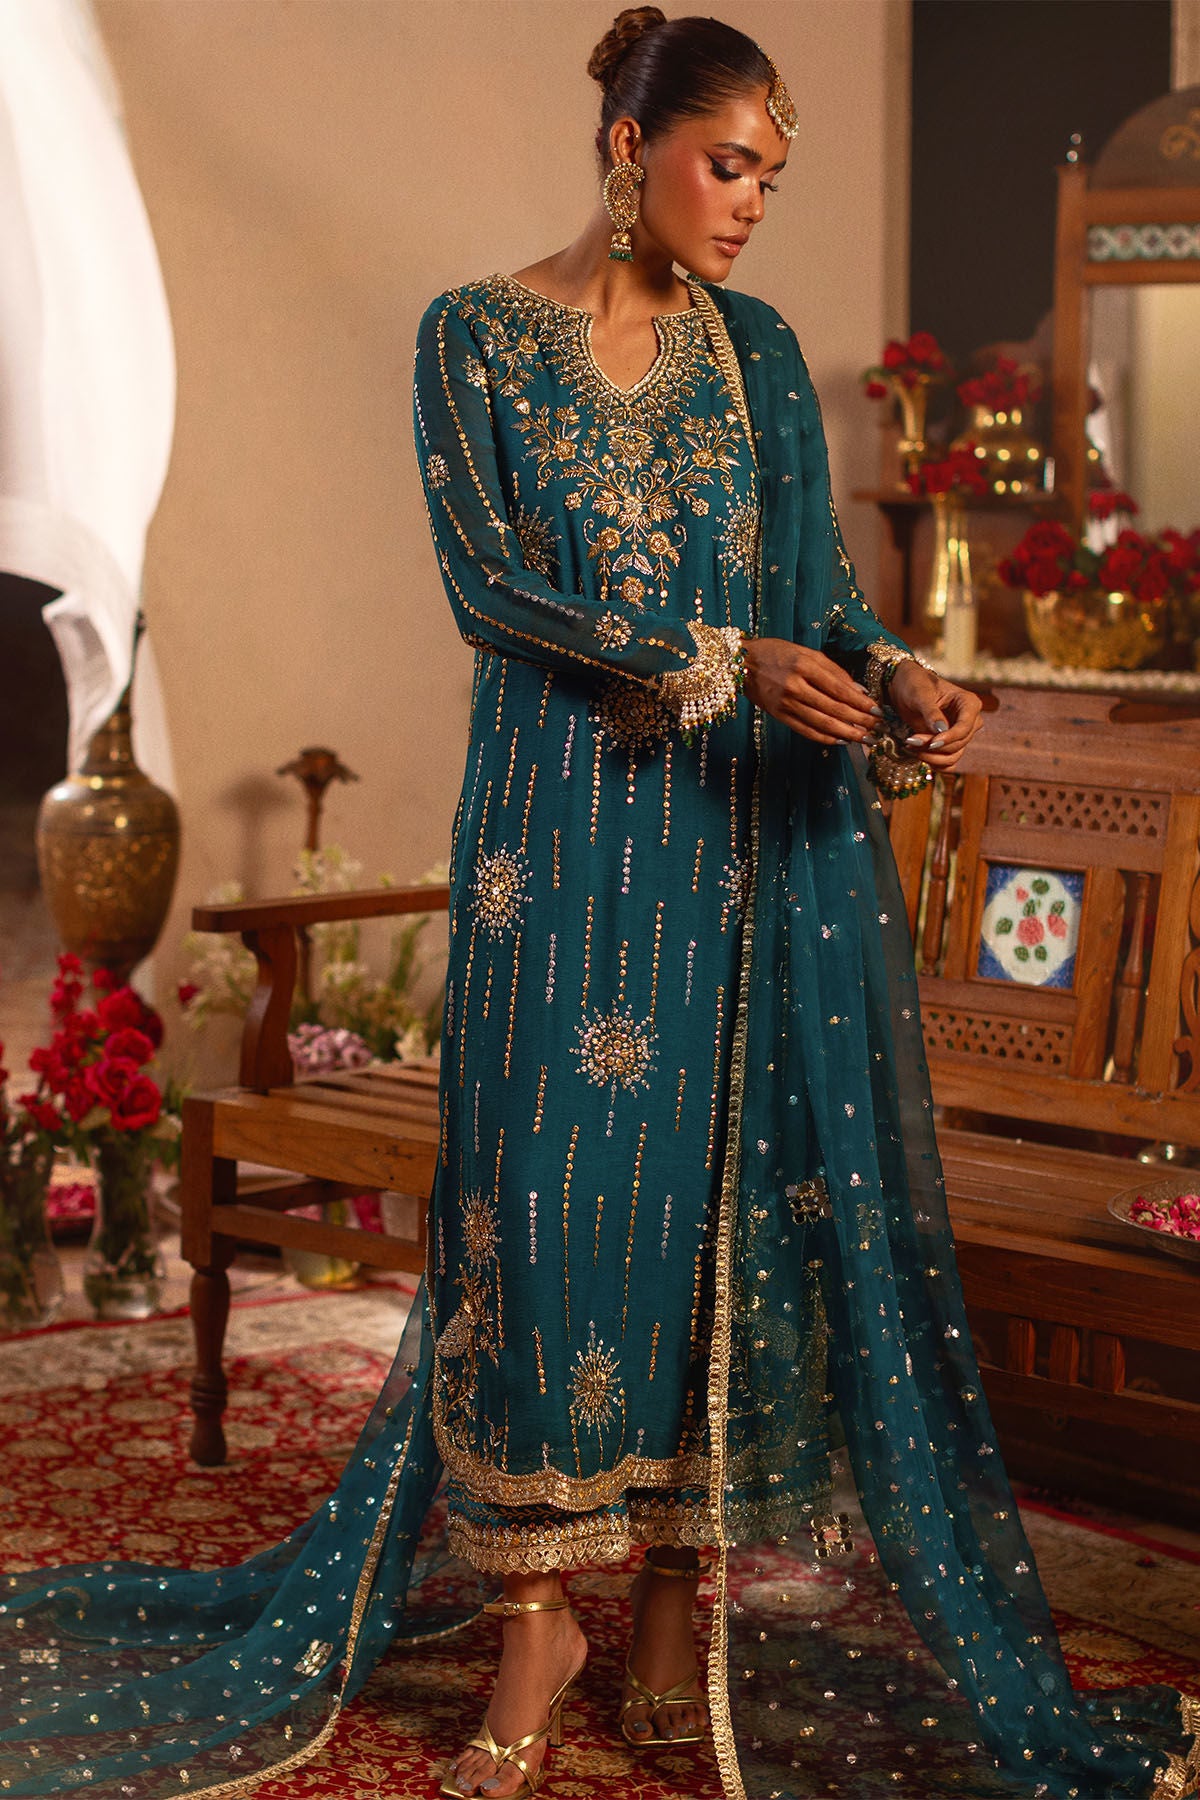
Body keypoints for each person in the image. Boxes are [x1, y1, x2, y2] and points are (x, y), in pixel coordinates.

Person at [0, 12, 1195, 1800]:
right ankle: (537, 1618)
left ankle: (667, 1615)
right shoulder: (474, 337)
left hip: (740, 858)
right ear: (631, 148)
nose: (753, 205)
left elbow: (815, 596)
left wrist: (896, 674)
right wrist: (723, 656)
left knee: (719, 1212)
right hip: (556, 847)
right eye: (730, 165)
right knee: (546, 1217)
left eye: (773, 178)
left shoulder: (758, 355)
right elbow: (491, 589)